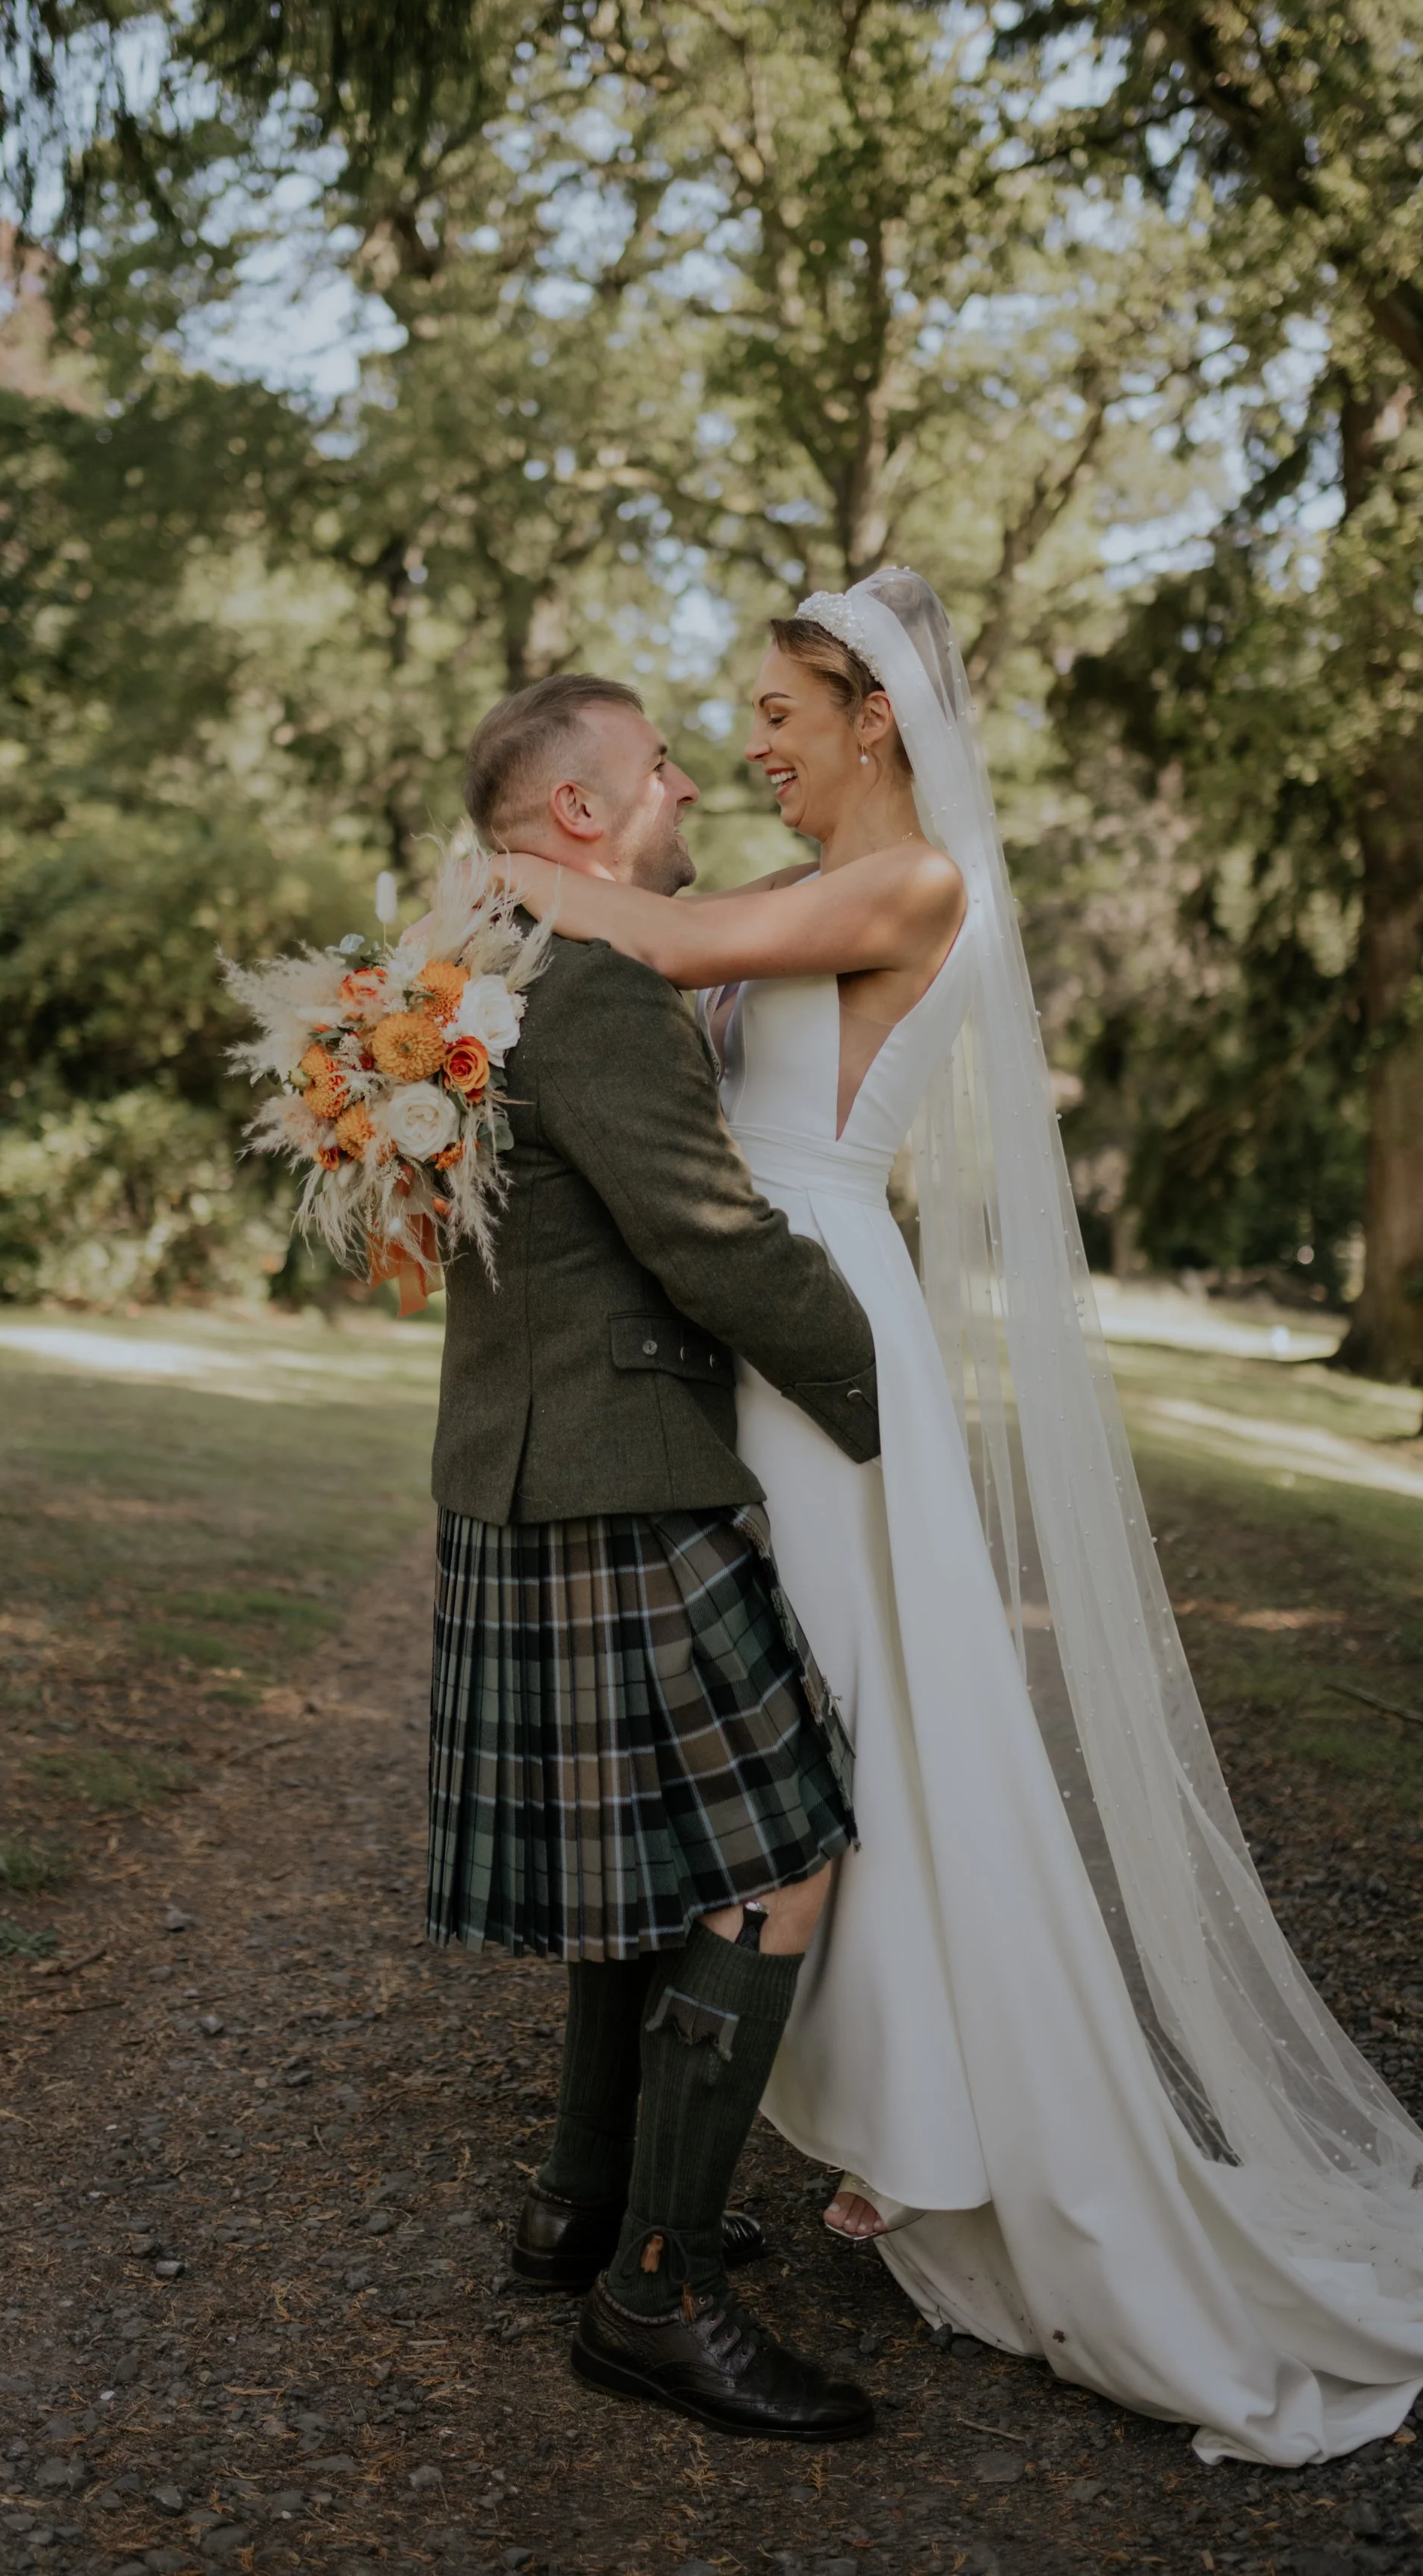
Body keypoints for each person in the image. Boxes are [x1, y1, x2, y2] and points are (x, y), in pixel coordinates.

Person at [491, 573, 1423, 2468]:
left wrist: (488, 889)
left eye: (777, 711)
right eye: (743, 717)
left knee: (817, 1774)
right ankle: (680, 2189)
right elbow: (659, 993)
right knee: (756, 1770)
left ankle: (828, 2170)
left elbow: (652, 936)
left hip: (814, 1340)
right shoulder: (790, 896)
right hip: (746, 1337)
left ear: (873, 719)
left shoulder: (916, 882)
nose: (752, 741)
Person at [429, 668, 884, 2442]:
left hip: (524, 1457)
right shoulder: (596, 981)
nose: (691, 781)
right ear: (579, 814)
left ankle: (579, 2196)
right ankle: (660, 2289)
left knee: (642, 1855)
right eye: (660, 766)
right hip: (618, 1468)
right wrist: (884, 1396)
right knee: (774, 1852)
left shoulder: (471, 961)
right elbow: (705, 1240)